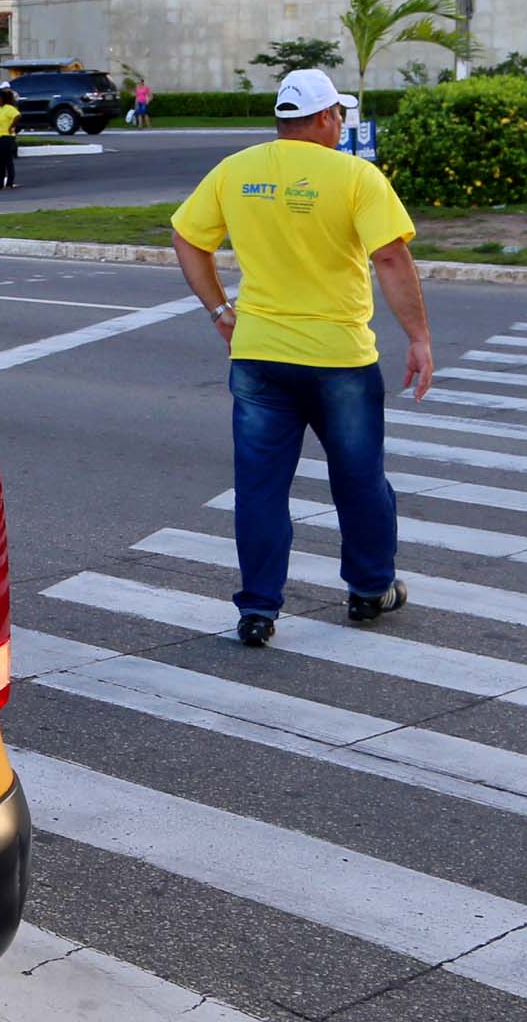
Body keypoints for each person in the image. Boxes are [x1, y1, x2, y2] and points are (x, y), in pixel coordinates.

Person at [171, 69, 434, 644]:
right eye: (337, 114)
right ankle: (370, 590)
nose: (340, 122)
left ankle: (258, 609)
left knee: (261, 488)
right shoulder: (356, 176)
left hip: (260, 357)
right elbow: (390, 258)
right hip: (340, 359)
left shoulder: (235, 171)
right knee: (360, 481)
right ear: (322, 119)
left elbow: (187, 238)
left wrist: (220, 310)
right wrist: (418, 337)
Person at [0, 89, 23, 188]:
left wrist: (11, 127)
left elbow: (18, 116)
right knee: (0, 162)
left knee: (8, 161)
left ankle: (10, 182)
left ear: (4, 98)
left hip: (6, 137)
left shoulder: (9, 108)